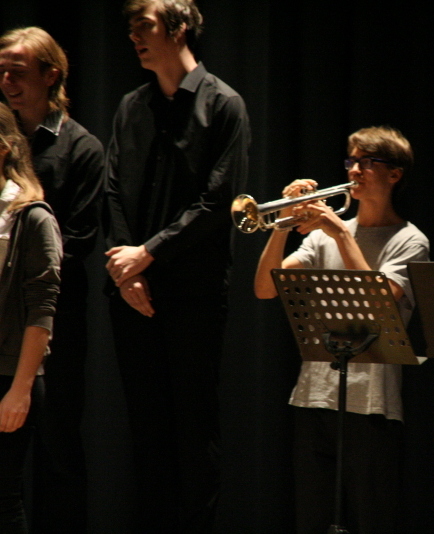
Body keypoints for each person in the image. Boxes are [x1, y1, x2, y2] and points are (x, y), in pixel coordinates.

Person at [103, 0, 250, 531]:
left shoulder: (224, 104)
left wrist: (146, 254)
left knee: (193, 432)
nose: (134, 37)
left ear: (179, 27)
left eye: (143, 26)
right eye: (131, 29)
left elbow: (218, 203)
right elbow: (112, 190)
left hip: (193, 294)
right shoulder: (131, 105)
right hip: (132, 292)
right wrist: (126, 268)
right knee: (147, 435)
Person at [254, 126, 429, 534]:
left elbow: (379, 304)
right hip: (313, 397)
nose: (354, 171)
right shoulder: (322, 236)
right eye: (351, 161)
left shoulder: (410, 241)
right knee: (312, 520)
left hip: (372, 405)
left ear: (394, 174)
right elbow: (265, 288)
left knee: (371, 519)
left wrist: (338, 232)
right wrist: (282, 223)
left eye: (367, 162)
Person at [0, 27, 104, 532]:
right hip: (4, 322)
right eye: (2, 73)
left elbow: (79, 239)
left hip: (52, 319)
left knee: (58, 446)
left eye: (18, 72)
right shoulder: (3, 137)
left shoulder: (80, 148)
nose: (6, 82)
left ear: (52, 75)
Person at [0, 102, 62, 534]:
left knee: (3, 499)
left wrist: (20, 389)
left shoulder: (31, 217)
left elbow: (42, 309)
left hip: (8, 376)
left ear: (4, 147)